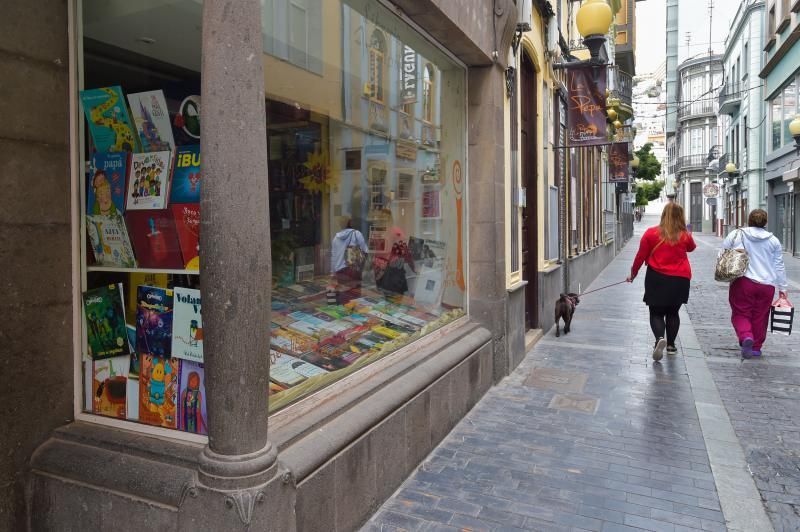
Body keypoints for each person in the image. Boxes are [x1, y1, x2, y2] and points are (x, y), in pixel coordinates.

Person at [627, 202, 696, 361]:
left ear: (663, 215)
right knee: (673, 312)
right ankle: (671, 346)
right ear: (681, 217)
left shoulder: (651, 233)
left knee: (656, 312)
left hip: (657, 278)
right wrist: (687, 231)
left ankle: (659, 338)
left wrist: (633, 274)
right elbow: (691, 248)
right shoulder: (684, 235)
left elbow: (640, 256)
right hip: (680, 279)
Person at [722, 209, 788, 358]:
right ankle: (756, 348)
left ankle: (746, 336)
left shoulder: (737, 234)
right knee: (761, 316)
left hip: (743, 281)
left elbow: (723, 253)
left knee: (740, 313)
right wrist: (782, 287)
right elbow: (779, 265)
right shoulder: (774, 240)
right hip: (767, 285)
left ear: (749, 220)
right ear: (766, 222)